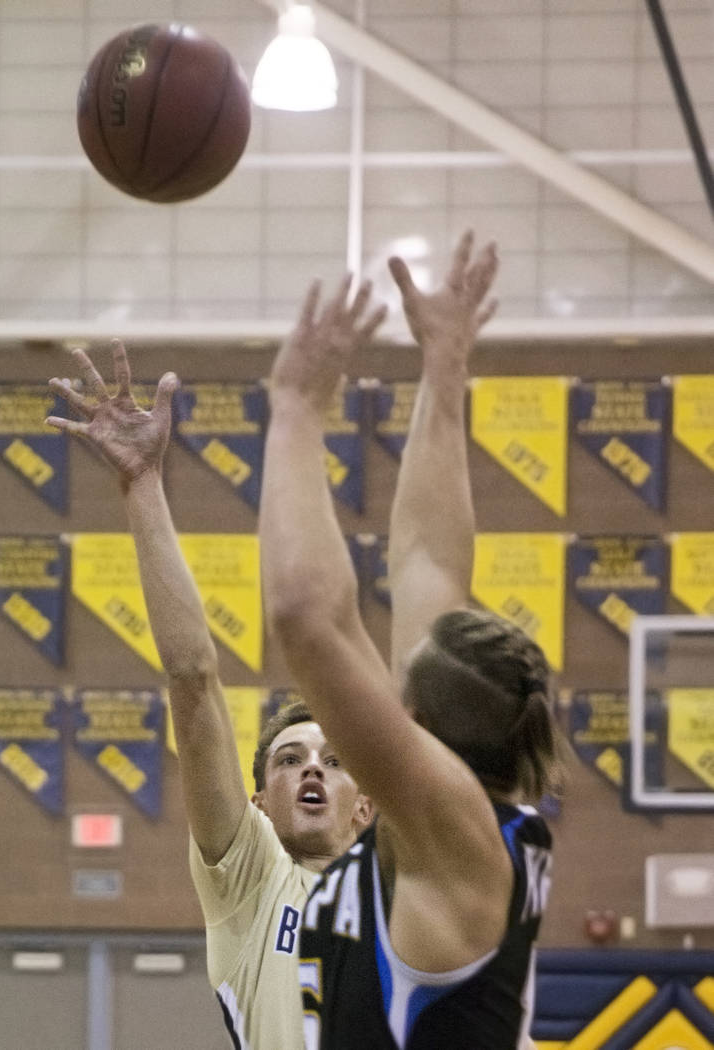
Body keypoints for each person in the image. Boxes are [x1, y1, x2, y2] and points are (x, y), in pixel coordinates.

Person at [44, 299, 382, 1049]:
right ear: (259, 802)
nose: (312, 770)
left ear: (367, 807)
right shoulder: (252, 880)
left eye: (332, 760)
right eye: (290, 760)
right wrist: (141, 487)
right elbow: (194, 679)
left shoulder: (404, 890)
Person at [259, 231, 561, 1049]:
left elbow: (304, 616)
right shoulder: (463, 813)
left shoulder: (447, 827)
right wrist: (445, 365)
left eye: (398, 686)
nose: (383, 684)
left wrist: (293, 410)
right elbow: (427, 559)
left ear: (415, 721)